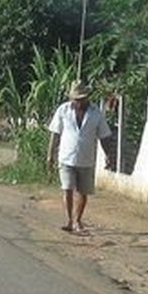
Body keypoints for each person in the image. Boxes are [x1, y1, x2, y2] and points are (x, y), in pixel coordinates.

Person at [47, 80, 113, 235]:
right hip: (66, 157)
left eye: (82, 99)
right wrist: (50, 155)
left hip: (86, 158)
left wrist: (108, 155)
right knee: (67, 189)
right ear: (71, 98)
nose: (79, 102)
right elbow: (55, 134)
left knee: (83, 192)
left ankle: (78, 220)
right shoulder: (63, 110)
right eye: (76, 99)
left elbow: (104, 136)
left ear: (87, 97)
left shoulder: (96, 113)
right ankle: (69, 220)